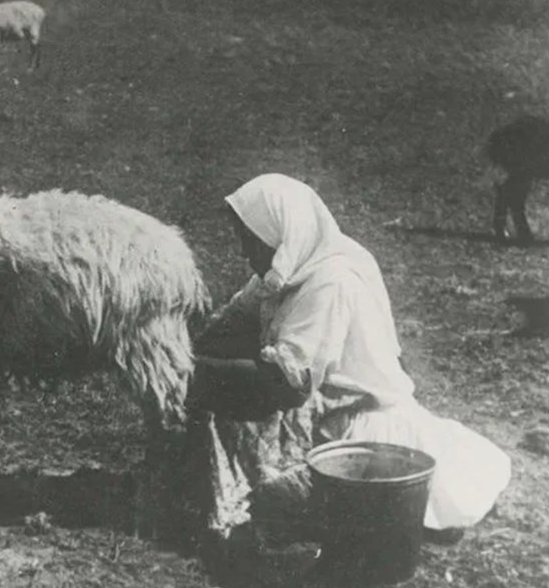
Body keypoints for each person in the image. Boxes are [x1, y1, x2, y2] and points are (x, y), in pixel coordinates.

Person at [184, 173, 511, 568]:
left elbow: (282, 386)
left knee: (234, 412)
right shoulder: (293, 265)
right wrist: (184, 350)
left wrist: (188, 369)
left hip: (353, 421)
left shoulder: (330, 282)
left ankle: (285, 507)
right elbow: (230, 325)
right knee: (220, 393)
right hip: (326, 403)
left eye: (250, 241)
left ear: (281, 234)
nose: (243, 252)